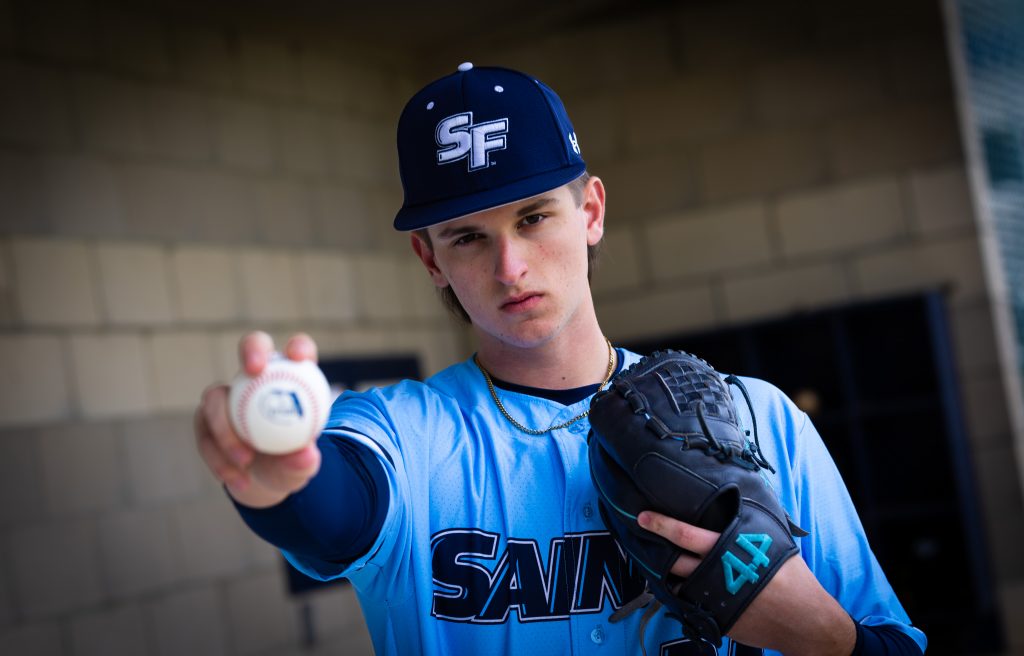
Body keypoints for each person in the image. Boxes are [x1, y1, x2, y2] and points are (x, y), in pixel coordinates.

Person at [195, 63, 928, 655]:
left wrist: (829, 640)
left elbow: (888, 644)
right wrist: (278, 483)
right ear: (429, 258)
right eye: (467, 237)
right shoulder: (403, 436)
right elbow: (335, 511)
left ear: (592, 211)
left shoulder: (759, 417)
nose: (510, 266)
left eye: (534, 216)